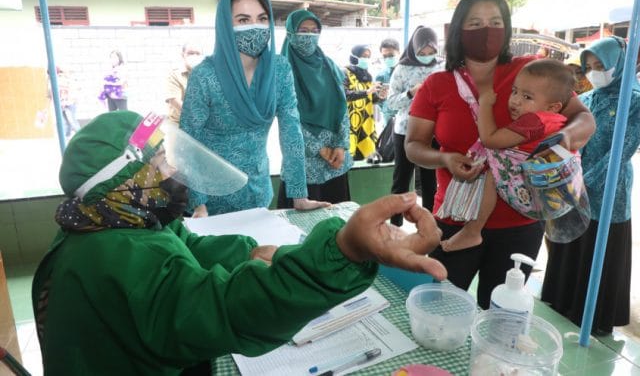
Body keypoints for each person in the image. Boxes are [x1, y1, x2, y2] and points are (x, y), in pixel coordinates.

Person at [31, 109, 447, 375]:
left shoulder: (106, 219)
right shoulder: (117, 257)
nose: (173, 168)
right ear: (126, 184)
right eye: (159, 164)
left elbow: (181, 244)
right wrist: (345, 251)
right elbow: (231, 310)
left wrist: (246, 250)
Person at [405, 0, 595, 309]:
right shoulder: (436, 84)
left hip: (520, 223)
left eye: (495, 22)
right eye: (476, 23)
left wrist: (564, 139)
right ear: (459, 31)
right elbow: (413, 146)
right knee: (437, 305)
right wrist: (444, 158)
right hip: (455, 216)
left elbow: (583, 118)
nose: (487, 31)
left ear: (506, 29)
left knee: (502, 316)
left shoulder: (531, 72)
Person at [179, 0, 329, 217]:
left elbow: (291, 132)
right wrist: (198, 204)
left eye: (262, 18)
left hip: (258, 195)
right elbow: (187, 142)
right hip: (210, 204)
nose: (255, 27)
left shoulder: (279, 71)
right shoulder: (205, 76)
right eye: (243, 20)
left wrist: (299, 195)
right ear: (226, 25)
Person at [541, 36, 640, 336]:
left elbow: (621, 151)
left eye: (602, 66)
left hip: (608, 196)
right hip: (572, 193)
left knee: (597, 254)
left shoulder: (634, 101)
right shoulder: (586, 99)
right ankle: (562, 307)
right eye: (590, 67)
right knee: (569, 251)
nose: (595, 73)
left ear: (619, 64)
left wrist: (581, 184)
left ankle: (594, 321)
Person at [441, 59, 574, 252]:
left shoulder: (534, 121)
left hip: (530, 185)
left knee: (493, 174)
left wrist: (485, 103)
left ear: (553, 106)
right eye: (514, 91)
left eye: (527, 97)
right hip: (548, 190)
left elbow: (490, 140)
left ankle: (473, 231)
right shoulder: (558, 120)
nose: (516, 100)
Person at [277, 9, 353, 207]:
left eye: (314, 31)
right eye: (303, 30)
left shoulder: (329, 65)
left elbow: (342, 107)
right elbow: (288, 119)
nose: (309, 36)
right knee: (302, 229)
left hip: (335, 163)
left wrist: (341, 146)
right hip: (303, 164)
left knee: (337, 227)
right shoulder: (280, 71)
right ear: (290, 33)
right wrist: (319, 148)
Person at [386, 26, 442, 226]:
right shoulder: (402, 69)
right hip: (405, 131)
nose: (427, 56)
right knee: (401, 180)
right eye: (422, 53)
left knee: (430, 183)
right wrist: (410, 93)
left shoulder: (442, 68)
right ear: (414, 49)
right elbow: (390, 102)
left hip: (433, 132)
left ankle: (427, 226)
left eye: (431, 52)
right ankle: (395, 224)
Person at [344, 44, 388, 160]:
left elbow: (371, 99)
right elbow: (345, 95)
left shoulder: (367, 75)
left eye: (368, 57)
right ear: (354, 57)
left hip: (366, 124)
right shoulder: (345, 72)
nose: (366, 59)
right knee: (349, 157)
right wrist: (367, 91)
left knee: (365, 157)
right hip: (350, 124)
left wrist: (381, 96)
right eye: (364, 56)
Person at [165, 42, 203, 124]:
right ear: (183, 55)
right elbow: (174, 100)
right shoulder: (175, 75)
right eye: (190, 53)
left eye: (198, 53)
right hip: (180, 124)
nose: (194, 56)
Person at [48, 66, 82, 140]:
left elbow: (68, 90)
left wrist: (64, 101)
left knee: (71, 120)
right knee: (64, 121)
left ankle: (81, 135)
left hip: (69, 102)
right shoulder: (51, 81)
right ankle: (67, 137)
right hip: (61, 103)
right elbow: (50, 95)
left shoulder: (63, 79)